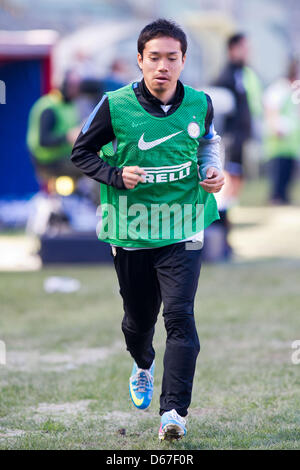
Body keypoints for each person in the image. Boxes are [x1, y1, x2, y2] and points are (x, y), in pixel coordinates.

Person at [71, 19, 224, 441]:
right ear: (139, 60)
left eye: (171, 58)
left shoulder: (200, 102)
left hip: (184, 226)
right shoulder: (114, 105)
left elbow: (210, 140)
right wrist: (117, 175)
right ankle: (142, 364)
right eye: (153, 58)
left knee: (179, 317)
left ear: (183, 61)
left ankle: (173, 413)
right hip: (132, 229)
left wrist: (213, 168)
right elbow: (80, 152)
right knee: (138, 322)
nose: (162, 66)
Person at [214, 33, 262, 257]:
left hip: (242, 140)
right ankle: (220, 235)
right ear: (233, 49)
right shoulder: (225, 76)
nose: (248, 52)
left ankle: (226, 234)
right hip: (230, 141)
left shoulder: (244, 74)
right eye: (244, 48)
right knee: (226, 185)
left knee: (235, 186)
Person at [27, 70, 82, 188]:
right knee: (92, 166)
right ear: (62, 85)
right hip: (49, 163)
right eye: (73, 86)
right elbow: (43, 141)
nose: (76, 89)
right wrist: (68, 137)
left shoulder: (69, 106)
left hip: (64, 158)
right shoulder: (48, 108)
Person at [263, 59, 300, 204]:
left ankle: (284, 196)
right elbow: (271, 109)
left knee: (289, 171)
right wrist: (276, 127)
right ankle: (276, 197)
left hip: (291, 142)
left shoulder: (294, 90)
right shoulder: (279, 87)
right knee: (279, 170)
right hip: (279, 141)